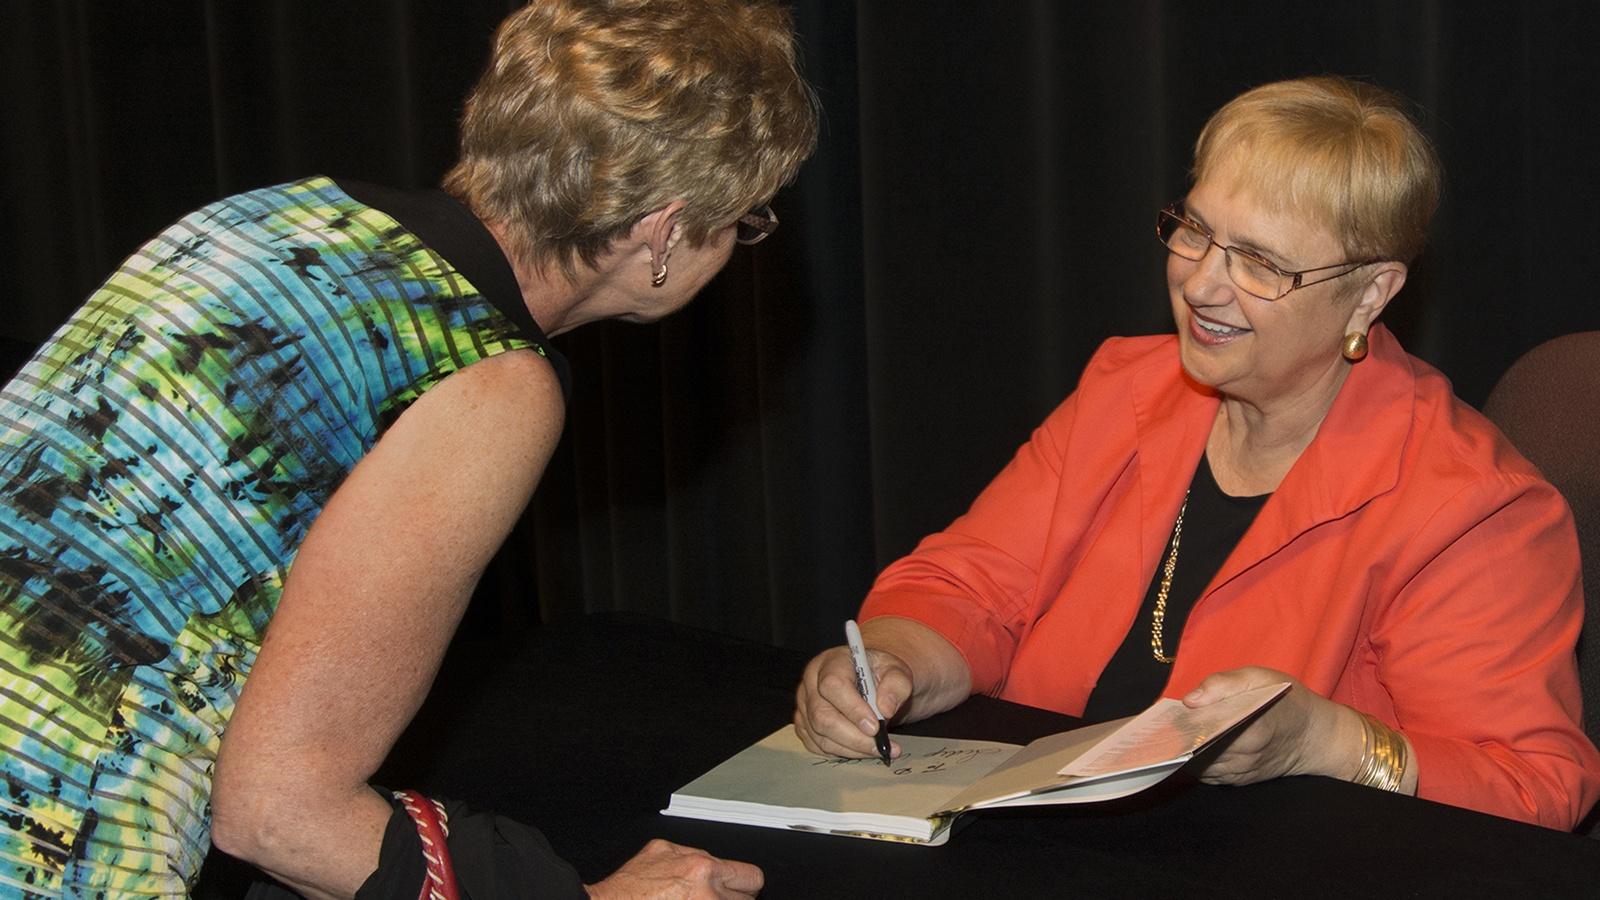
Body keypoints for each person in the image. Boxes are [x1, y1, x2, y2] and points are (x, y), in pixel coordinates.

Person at [0, 0, 817, 896]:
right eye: (747, 222)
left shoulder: (267, 218)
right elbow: (279, 815)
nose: (743, 247)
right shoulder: (487, 381)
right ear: (664, 231)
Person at [794, 75, 1600, 831]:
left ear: (1370, 292)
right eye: (1195, 231)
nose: (1203, 284)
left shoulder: (1469, 505)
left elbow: (1535, 787)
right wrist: (890, 666)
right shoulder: (1126, 386)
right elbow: (968, 587)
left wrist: (1326, 744)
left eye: (1259, 263)